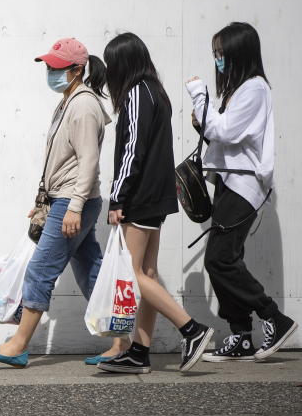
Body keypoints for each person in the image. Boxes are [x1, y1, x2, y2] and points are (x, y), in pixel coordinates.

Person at [0, 38, 128, 368]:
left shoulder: (83, 106)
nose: (49, 72)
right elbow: (61, 160)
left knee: (41, 269)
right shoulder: (69, 100)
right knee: (91, 271)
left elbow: (88, 161)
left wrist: (72, 206)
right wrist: (43, 202)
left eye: (56, 67)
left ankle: (18, 344)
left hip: (74, 201)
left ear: (76, 70)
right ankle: (122, 342)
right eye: (48, 66)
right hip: (65, 199)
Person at [97, 32, 213, 374]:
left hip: (140, 196)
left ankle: (191, 329)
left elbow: (133, 150)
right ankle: (139, 352)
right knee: (146, 273)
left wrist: (117, 197)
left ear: (123, 64)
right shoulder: (157, 93)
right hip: (159, 196)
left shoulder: (135, 93)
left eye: (112, 64)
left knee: (134, 276)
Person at [187, 22, 296, 362]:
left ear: (238, 52)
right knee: (222, 259)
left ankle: (274, 318)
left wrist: (200, 96)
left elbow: (229, 132)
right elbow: (223, 138)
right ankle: (241, 335)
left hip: (244, 184)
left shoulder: (255, 88)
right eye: (215, 53)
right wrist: (204, 124)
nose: (218, 59)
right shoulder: (238, 89)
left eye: (222, 53)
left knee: (220, 259)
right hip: (229, 181)